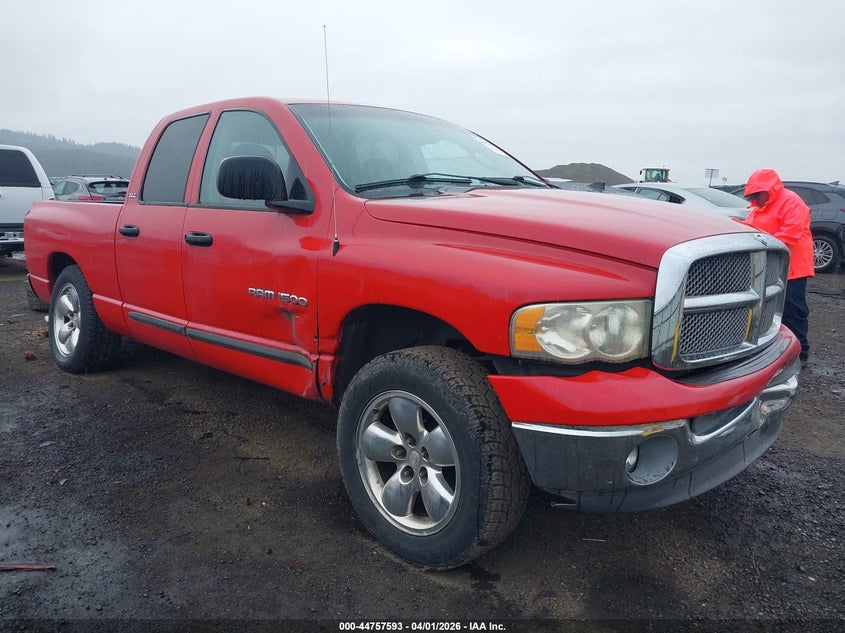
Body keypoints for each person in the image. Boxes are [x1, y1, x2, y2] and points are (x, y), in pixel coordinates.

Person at [742, 169, 814, 365]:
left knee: (793, 309)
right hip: (768, 267)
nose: (756, 198)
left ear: (769, 189)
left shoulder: (792, 202)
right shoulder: (758, 208)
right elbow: (750, 231)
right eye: (753, 195)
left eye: (758, 194)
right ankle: (775, 351)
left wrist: (759, 246)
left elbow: (790, 235)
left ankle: (800, 353)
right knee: (767, 309)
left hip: (793, 268)